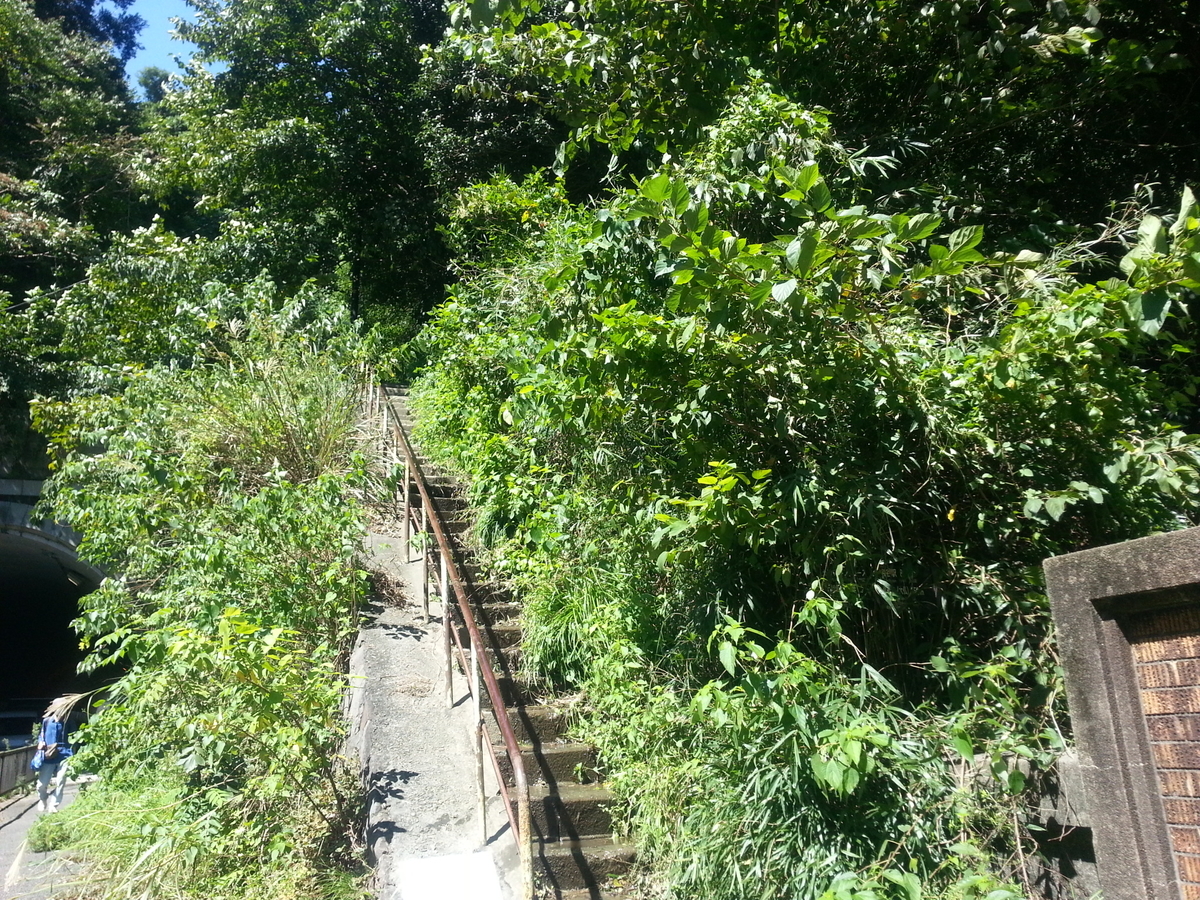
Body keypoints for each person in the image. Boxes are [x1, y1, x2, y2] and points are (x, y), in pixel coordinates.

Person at [35, 695, 77, 813]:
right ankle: (42, 799)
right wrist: (40, 742)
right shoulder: (47, 721)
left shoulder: (69, 722)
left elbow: (75, 738)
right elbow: (41, 735)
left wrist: (73, 751)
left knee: (61, 781)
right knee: (41, 785)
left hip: (65, 754)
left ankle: (54, 805)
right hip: (49, 755)